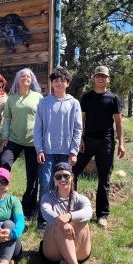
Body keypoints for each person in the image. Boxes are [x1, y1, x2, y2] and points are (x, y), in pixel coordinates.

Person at [72, 66, 125, 229]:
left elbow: (118, 121)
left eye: (104, 76)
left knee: (104, 179)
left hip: (106, 142)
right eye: (98, 76)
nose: (101, 79)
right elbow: (81, 120)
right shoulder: (86, 97)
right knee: (73, 172)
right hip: (87, 141)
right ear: (93, 78)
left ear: (108, 79)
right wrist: (80, 139)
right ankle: (72, 207)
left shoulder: (113, 98)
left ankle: (102, 215)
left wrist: (121, 143)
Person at [34, 67, 82, 231]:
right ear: (52, 83)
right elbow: (38, 127)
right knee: (46, 184)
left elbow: (77, 128)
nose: (59, 83)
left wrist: (74, 151)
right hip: (47, 151)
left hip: (66, 152)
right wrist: (39, 149)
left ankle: (67, 217)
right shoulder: (44, 102)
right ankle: (43, 220)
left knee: (66, 185)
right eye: (55, 80)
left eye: (62, 80)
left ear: (67, 83)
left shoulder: (74, 103)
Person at [0, 68, 43, 219]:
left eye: (28, 76)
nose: (25, 78)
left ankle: (28, 209)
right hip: (14, 140)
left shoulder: (38, 97)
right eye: (22, 76)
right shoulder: (11, 99)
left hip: (33, 142)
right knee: (3, 164)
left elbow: (44, 119)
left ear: (32, 80)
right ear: (18, 79)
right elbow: (7, 120)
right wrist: (5, 137)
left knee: (33, 176)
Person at [40, 162, 91, 264]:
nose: (62, 179)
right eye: (58, 177)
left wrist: (69, 216)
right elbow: (46, 212)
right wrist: (62, 222)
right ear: (54, 180)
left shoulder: (80, 198)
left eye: (66, 176)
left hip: (79, 249)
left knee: (82, 221)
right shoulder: (47, 197)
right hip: (53, 250)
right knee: (58, 223)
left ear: (72, 177)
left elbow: (89, 212)